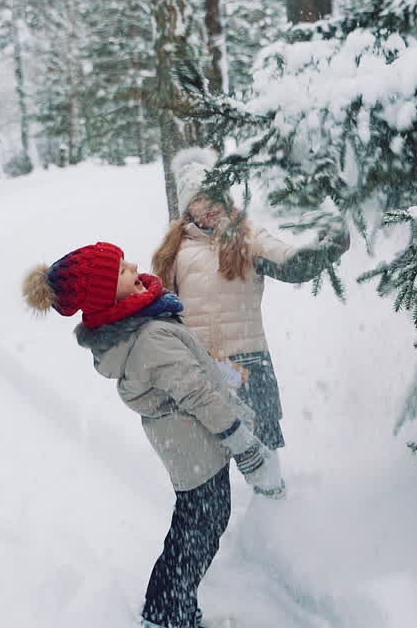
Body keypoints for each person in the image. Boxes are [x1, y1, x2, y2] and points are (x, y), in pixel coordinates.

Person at [22, 241, 283, 628]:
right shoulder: (147, 337)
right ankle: (167, 614)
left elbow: (190, 366)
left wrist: (222, 373)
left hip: (189, 442)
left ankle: (168, 610)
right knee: (198, 529)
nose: (132, 266)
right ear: (107, 295)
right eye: (121, 271)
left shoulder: (141, 322)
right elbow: (197, 393)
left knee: (198, 524)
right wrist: (243, 444)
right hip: (197, 443)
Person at [151, 148, 350, 451]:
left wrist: (328, 247)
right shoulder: (173, 253)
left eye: (215, 195)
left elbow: (289, 263)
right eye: (199, 198)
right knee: (208, 453)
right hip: (201, 369)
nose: (210, 205)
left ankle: (272, 498)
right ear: (187, 208)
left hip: (249, 365)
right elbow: (161, 312)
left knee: (263, 449)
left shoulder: (247, 237)